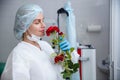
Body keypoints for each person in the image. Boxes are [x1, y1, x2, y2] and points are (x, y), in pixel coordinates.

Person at [1, 4, 79, 80]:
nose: (44, 25)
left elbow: (60, 70)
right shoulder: (19, 54)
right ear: (24, 25)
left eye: (43, 20)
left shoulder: (45, 46)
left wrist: (68, 53)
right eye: (37, 22)